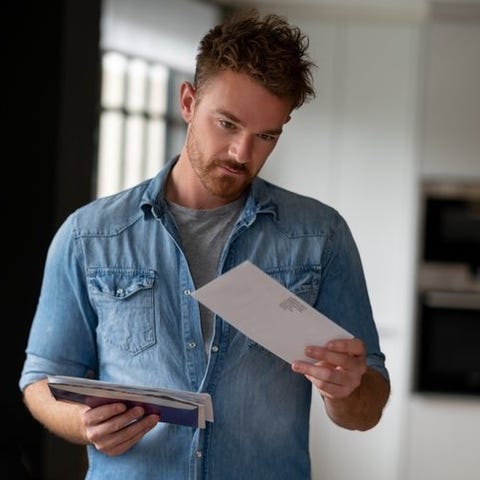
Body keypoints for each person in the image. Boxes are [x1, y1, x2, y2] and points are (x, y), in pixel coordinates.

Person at [19, 9, 390, 480]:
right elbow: (40, 381)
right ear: (189, 102)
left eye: (266, 136)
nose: (243, 153)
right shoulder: (89, 235)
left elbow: (367, 406)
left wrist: (346, 390)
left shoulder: (320, 237)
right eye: (228, 124)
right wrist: (84, 423)